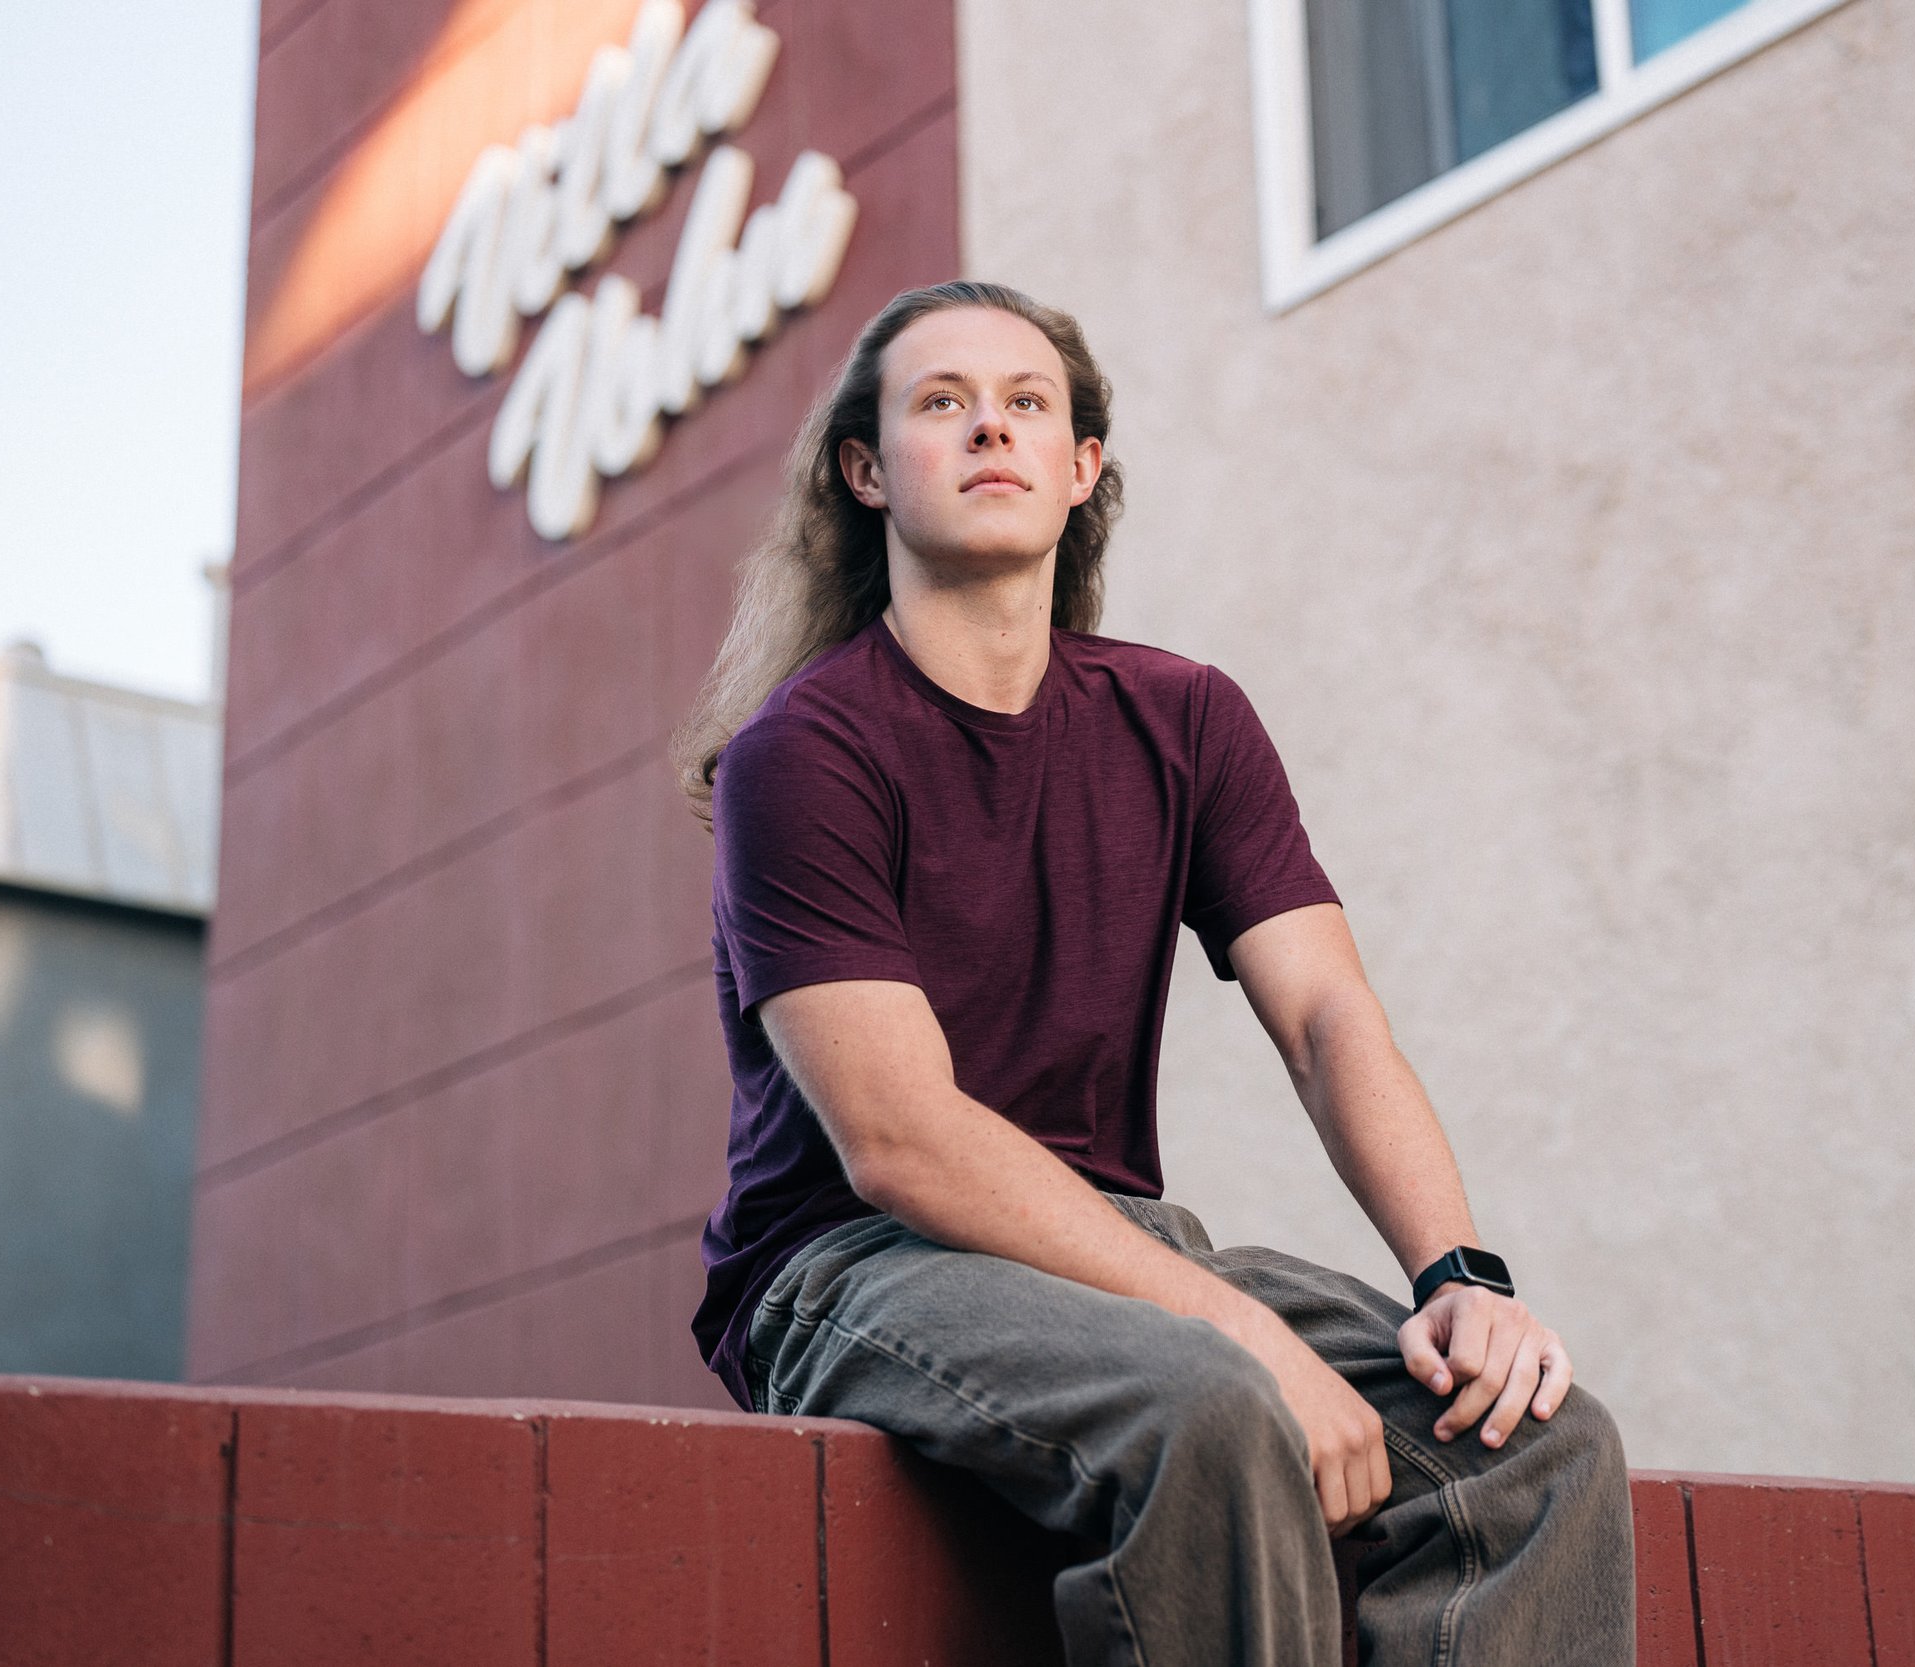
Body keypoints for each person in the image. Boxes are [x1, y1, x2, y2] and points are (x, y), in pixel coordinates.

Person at [671, 280, 1634, 1666]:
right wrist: (1238, 1326)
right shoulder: (806, 755)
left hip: (1116, 1250)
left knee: (1534, 1441)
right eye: (941, 404)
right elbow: (898, 1143)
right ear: (869, 473)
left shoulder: (1182, 718)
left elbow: (1324, 1014)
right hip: (846, 1268)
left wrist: (1458, 1275)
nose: (988, 429)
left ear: (1081, 470)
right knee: (1219, 1402)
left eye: (1026, 405)